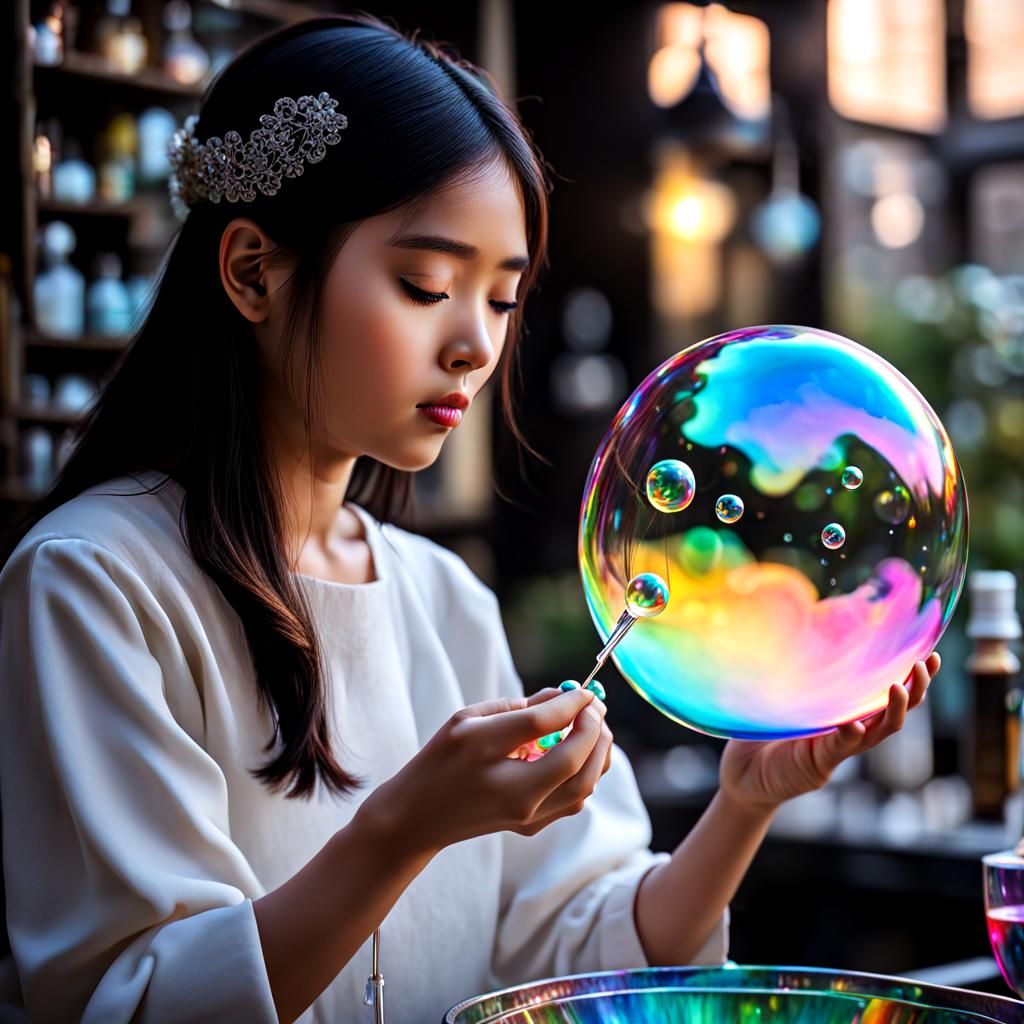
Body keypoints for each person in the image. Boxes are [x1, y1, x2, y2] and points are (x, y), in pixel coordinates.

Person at [0, 12, 940, 1023]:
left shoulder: (440, 595)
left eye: (499, 299)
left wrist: (745, 800)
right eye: (426, 285)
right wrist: (404, 827)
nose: (475, 347)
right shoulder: (94, 581)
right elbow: (134, 1001)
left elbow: (584, 956)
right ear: (252, 271)